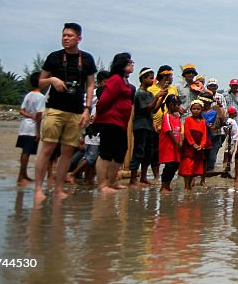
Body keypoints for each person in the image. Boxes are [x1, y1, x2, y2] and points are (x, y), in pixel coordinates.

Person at [35, 23, 98, 202]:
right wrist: (52, 80)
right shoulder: (54, 58)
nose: (65, 38)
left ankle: (58, 188)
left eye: (70, 35)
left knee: (67, 151)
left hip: (76, 111)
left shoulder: (87, 59)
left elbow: (91, 84)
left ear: (79, 38)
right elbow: (39, 82)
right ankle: (39, 188)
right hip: (54, 108)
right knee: (47, 149)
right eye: (63, 35)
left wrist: (87, 109)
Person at [94, 53, 134, 193]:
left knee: (120, 151)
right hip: (110, 121)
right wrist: (99, 117)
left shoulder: (124, 80)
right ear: (121, 64)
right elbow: (104, 100)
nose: (132, 64)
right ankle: (102, 184)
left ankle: (112, 182)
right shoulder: (115, 79)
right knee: (106, 153)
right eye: (129, 62)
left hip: (121, 123)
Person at [129, 67, 160, 186]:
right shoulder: (140, 93)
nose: (152, 80)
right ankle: (133, 179)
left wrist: (161, 98)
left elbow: (154, 109)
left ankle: (143, 177)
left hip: (149, 125)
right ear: (143, 78)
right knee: (139, 150)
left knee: (148, 152)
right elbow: (147, 109)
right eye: (150, 78)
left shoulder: (149, 93)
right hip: (140, 125)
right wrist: (157, 97)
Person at [16, 72, 47, 186]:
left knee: (24, 152)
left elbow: (21, 110)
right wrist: (38, 132)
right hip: (32, 128)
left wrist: (29, 115)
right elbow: (38, 116)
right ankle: (21, 176)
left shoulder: (29, 94)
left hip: (24, 126)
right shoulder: (41, 97)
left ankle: (22, 175)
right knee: (27, 152)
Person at [180, 100, 209, 191]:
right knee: (187, 165)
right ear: (191, 110)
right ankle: (186, 186)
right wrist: (193, 144)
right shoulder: (188, 119)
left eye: (198, 109)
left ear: (201, 110)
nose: (196, 111)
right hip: (189, 145)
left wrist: (202, 144)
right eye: (194, 109)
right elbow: (187, 133)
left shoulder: (203, 121)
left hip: (199, 146)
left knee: (196, 166)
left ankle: (191, 186)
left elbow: (204, 134)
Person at [159, 97, 183, 192]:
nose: (178, 107)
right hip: (168, 146)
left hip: (176, 146)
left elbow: (179, 131)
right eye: (176, 104)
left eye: (178, 104)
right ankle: (163, 186)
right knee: (169, 166)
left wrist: (180, 143)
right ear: (170, 105)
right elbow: (169, 131)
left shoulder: (177, 117)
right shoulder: (167, 116)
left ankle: (168, 184)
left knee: (175, 165)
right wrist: (177, 143)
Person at [222, 107, 238, 177]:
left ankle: (228, 162)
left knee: (230, 151)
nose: (236, 113)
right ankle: (226, 162)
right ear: (232, 113)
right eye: (235, 112)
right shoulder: (230, 121)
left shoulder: (232, 120)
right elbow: (226, 128)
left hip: (233, 138)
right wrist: (229, 135)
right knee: (228, 150)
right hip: (231, 138)